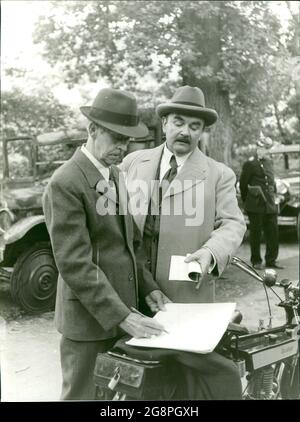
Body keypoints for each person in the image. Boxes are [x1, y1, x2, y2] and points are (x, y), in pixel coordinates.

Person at [120, 85, 247, 399]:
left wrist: (210, 252)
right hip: (132, 293)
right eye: (178, 122)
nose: (185, 132)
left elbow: (232, 223)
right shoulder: (133, 163)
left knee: (181, 388)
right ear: (164, 123)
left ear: (202, 132)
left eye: (194, 126)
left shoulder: (219, 175)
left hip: (183, 300)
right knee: (132, 384)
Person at [42, 87, 169, 400]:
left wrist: (148, 288)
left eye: (127, 140)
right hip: (88, 323)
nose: (122, 147)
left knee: (118, 399)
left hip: (123, 315)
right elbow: (74, 264)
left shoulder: (116, 175)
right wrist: (123, 315)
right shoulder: (65, 182)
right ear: (92, 129)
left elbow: (130, 246)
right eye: (116, 137)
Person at [239, 134, 284, 270]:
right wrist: (248, 200)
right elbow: (243, 184)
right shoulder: (250, 164)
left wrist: (274, 196)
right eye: (259, 148)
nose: (261, 151)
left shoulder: (270, 163)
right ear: (257, 149)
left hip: (270, 204)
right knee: (256, 234)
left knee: (273, 233)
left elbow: (271, 182)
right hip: (255, 204)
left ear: (268, 150)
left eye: (264, 148)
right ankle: (256, 261)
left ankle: (271, 260)